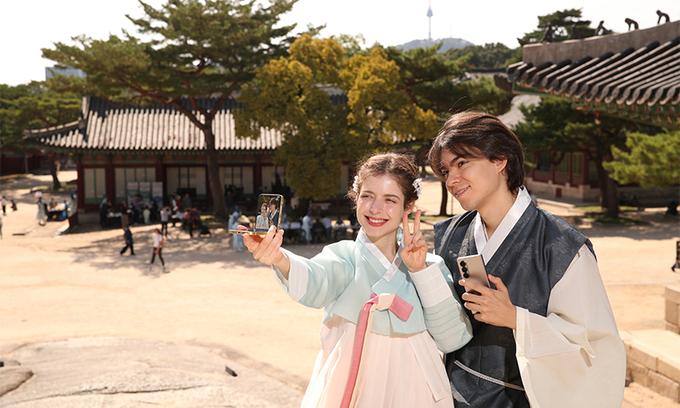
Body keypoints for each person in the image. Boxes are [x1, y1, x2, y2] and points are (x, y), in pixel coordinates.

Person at [241, 152, 472, 408]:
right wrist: (279, 258)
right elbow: (316, 280)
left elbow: (451, 340)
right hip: (351, 381)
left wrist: (420, 271)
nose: (375, 208)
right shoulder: (344, 258)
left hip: (416, 388)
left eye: (390, 200)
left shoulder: (430, 266)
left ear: (408, 206)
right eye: (367, 196)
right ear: (356, 197)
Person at [428, 111, 625, 408]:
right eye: (445, 171)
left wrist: (516, 319)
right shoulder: (451, 236)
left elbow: (596, 350)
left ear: (500, 159)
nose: (451, 180)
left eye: (462, 163)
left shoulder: (561, 247)